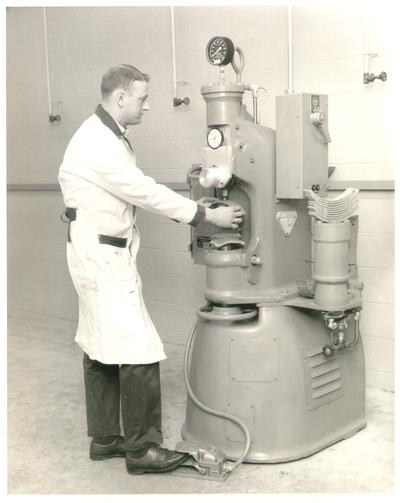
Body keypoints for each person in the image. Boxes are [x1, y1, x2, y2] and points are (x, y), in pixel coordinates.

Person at [58, 64, 245, 475]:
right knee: (137, 347)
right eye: (142, 97)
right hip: (102, 256)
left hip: (93, 251)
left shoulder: (106, 135)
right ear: (120, 97)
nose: (147, 104)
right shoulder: (98, 142)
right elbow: (141, 190)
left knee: (99, 343)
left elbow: (134, 183)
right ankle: (142, 448)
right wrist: (203, 215)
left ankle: (106, 438)